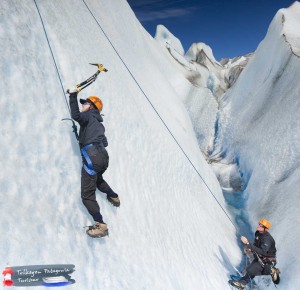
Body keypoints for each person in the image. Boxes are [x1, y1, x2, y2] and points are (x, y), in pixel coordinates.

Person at [68, 87, 120, 238]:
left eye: (85, 103)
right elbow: (105, 141)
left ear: (91, 107)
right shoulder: (98, 122)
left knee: (87, 195)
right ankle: (113, 196)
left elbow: (76, 115)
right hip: (103, 157)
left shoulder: (88, 115)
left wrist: (73, 95)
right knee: (97, 179)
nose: (83, 105)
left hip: (92, 157)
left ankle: (101, 225)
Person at [229, 219, 280, 289]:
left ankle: (273, 271)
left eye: (261, 225)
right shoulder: (258, 234)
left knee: (253, 270)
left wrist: (247, 243)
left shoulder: (267, 239)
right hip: (260, 258)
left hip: (268, 261)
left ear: (265, 228)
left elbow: (263, 251)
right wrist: (249, 249)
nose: (258, 225)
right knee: (250, 270)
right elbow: (256, 247)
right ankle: (241, 284)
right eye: (259, 224)